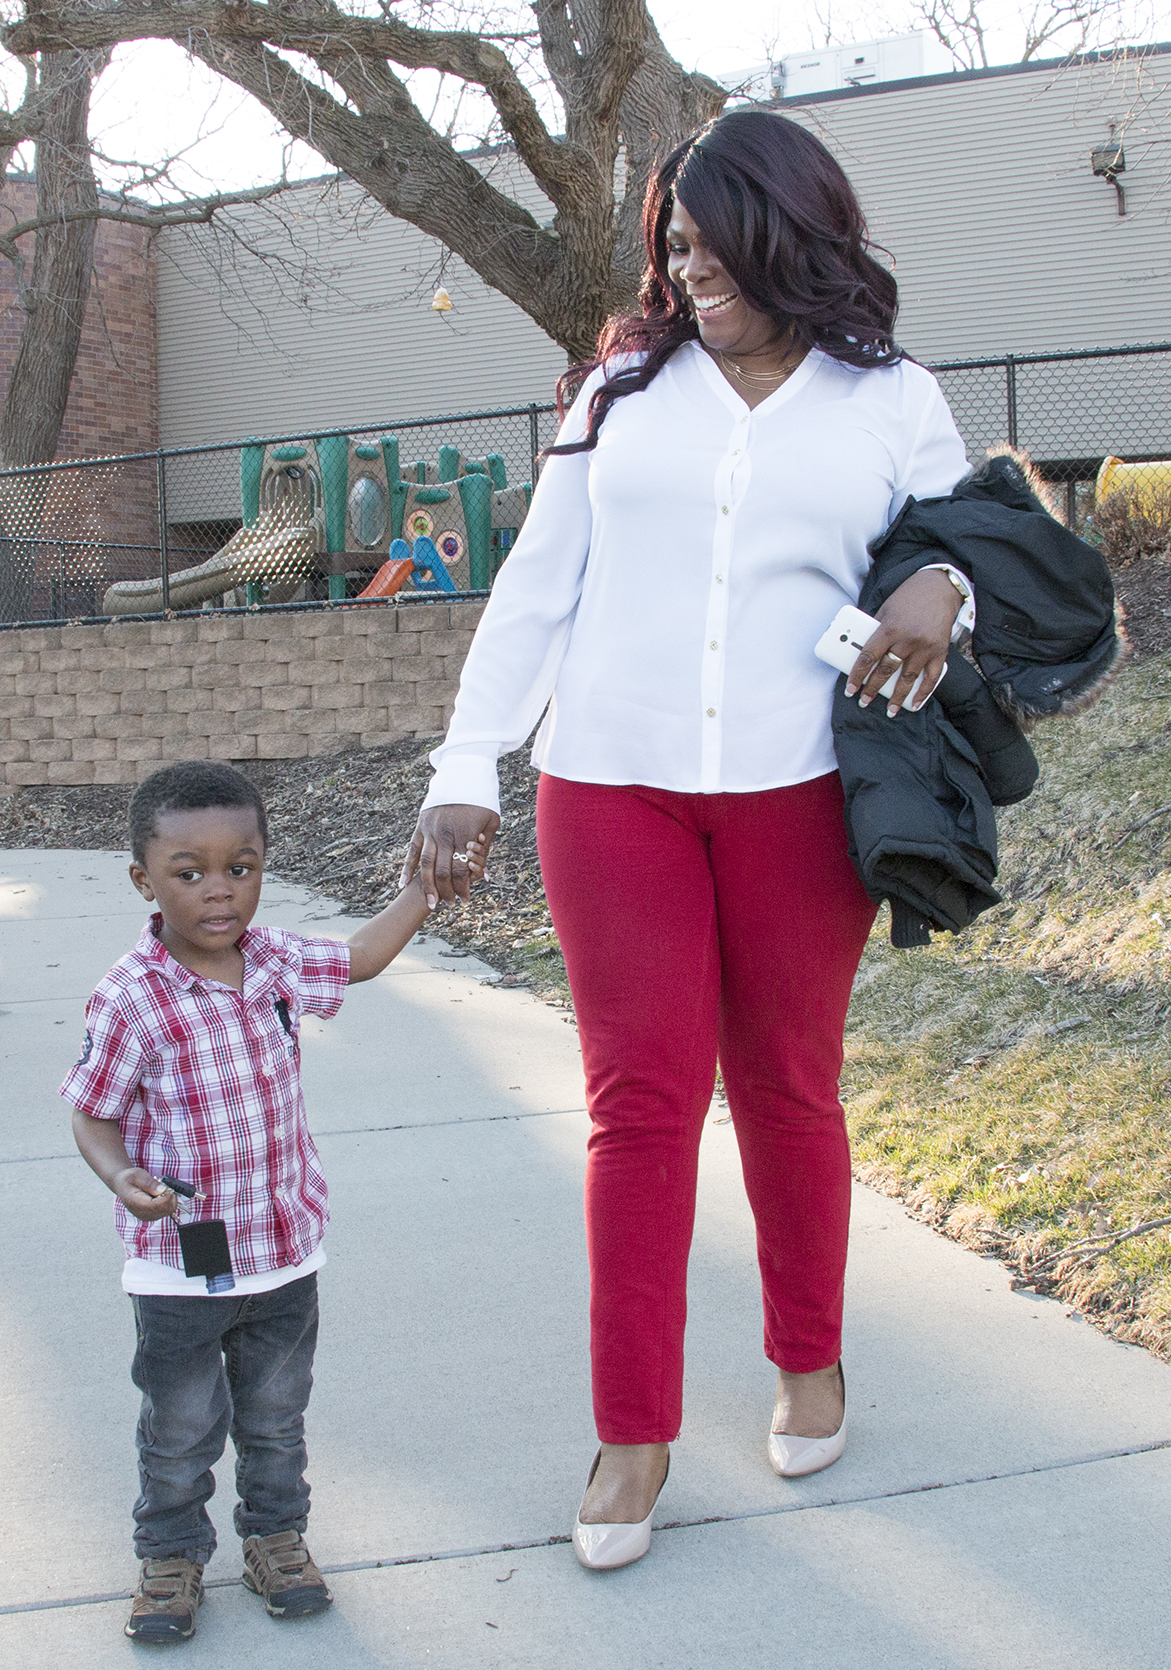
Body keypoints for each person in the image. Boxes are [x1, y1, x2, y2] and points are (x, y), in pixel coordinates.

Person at [402, 109, 974, 1571]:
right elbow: (537, 586)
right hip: (612, 785)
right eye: (672, 237)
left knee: (787, 1083)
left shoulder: (891, 398)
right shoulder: (620, 392)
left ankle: (808, 1355)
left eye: (713, 235)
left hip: (798, 790)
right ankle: (632, 1432)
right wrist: (466, 765)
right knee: (639, 1103)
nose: (685, 259)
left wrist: (945, 585)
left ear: (795, 230)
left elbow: (973, 548)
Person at [62, 759, 459, 1643]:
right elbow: (92, 1114)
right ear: (144, 880)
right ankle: (169, 1556)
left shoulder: (274, 960)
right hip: (179, 1272)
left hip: (284, 1253)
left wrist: (420, 890)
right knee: (180, 1429)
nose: (218, 893)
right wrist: (118, 1172)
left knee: (277, 1421)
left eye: (240, 868)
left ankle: (275, 1539)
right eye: (188, 872)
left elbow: (356, 958)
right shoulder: (132, 998)